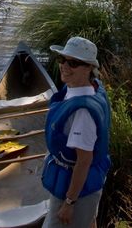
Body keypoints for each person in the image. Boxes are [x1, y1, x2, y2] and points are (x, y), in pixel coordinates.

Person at [41, 36, 111, 228]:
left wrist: (70, 203)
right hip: (86, 182)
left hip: (76, 187)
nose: (64, 66)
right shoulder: (92, 87)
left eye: (73, 63)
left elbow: (84, 161)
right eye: (62, 59)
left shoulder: (82, 113)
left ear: (88, 67)